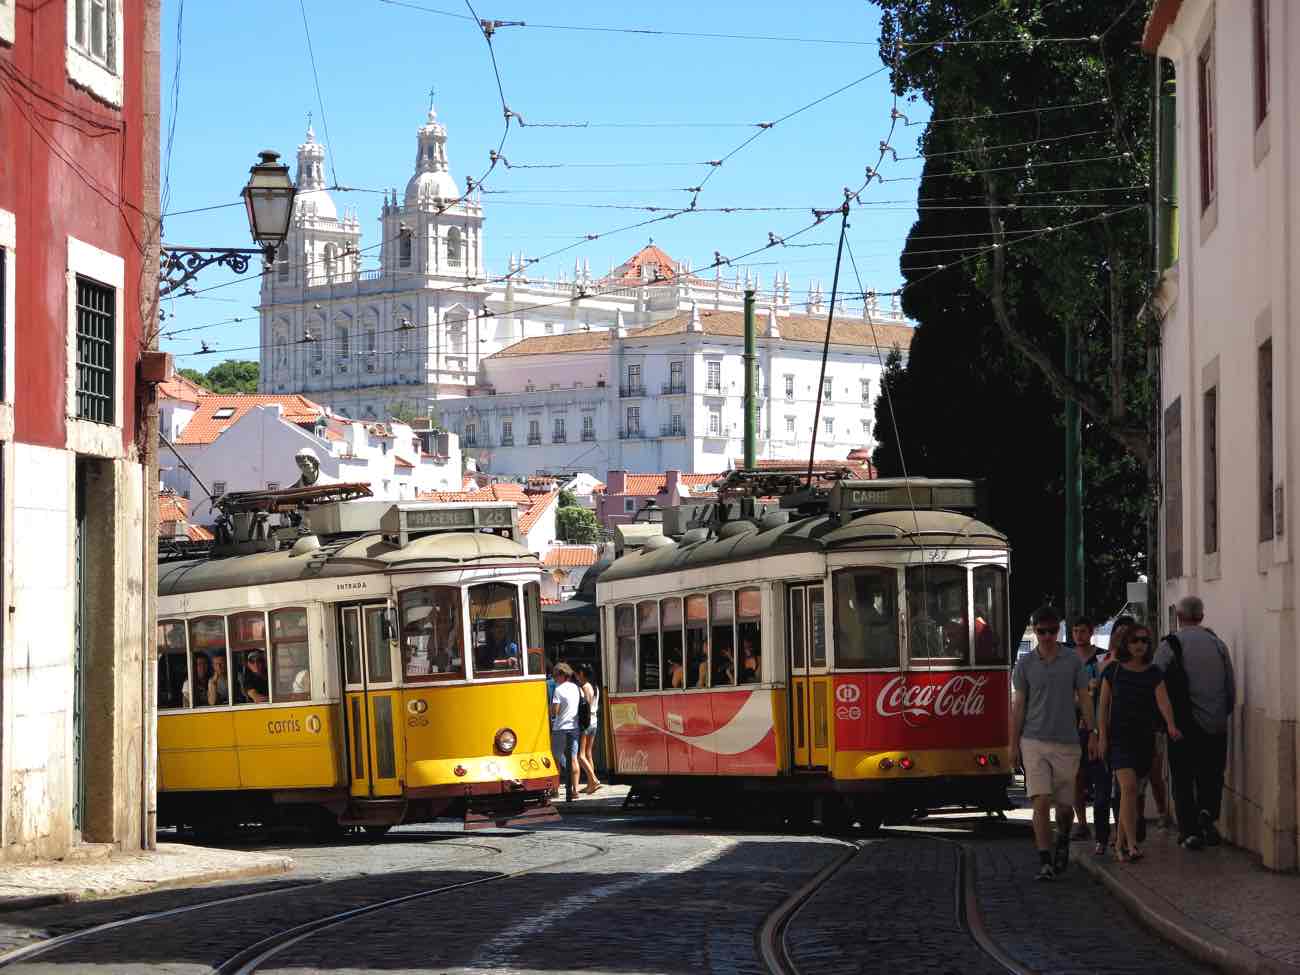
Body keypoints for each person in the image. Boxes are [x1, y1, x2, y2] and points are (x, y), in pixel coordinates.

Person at [1011, 605, 1097, 881]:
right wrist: (1013, 745)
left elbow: (1084, 697)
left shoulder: (1072, 661)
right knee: (1041, 800)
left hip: (1067, 742)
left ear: (1058, 631)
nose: (1046, 636)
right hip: (1033, 741)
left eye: (1051, 631)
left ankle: (1063, 838)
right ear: (1035, 632)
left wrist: (1093, 731)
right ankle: (1045, 859)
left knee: (1063, 807)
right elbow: (1019, 706)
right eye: (1041, 632)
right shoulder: (1025, 664)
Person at [1154, 595, 1236, 850]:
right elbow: (1230, 686)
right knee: (1212, 774)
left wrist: (1162, 720)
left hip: (1182, 726)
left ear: (1179, 617)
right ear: (1201, 616)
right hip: (1215, 723)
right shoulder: (1218, 644)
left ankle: (1189, 831)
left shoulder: (1169, 645)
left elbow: (1154, 680)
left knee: (1182, 777)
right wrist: (1224, 712)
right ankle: (1207, 813)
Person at [1098, 624, 1182, 862]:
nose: (1140, 645)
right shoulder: (1113, 671)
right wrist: (1102, 736)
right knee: (1129, 788)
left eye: (1144, 641)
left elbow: (1164, 702)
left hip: (1144, 740)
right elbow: (1102, 708)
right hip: (1119, 740)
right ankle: (1133, 845)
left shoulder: (1154, 672)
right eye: (1135, 640)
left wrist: (1171, 725)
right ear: (1126, 643)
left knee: (1130, 795)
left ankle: (1120, 844)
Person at [1070, 616, 1107, 844]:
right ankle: (1081, 822)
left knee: (1099, 774)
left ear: (1091, 632)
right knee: (1076, 776)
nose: (1078, 635)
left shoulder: (1102, 657)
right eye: (1074, 631)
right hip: (1072, 725)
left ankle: (1100, 823)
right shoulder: (1067, 659)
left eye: (1082, 631)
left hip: (1096, 723)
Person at [550, 663, 581, 803]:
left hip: (560, 728)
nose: (554, 678)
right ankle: (575, 790)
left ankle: (555, 790)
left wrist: (551, 710)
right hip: (574, 727)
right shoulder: (576, 687)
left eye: (556, 675)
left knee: (556, 759)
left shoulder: (558, 690)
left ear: (562, 674)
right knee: (573, 758)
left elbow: (555, 712)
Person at [575, 663, 603, 794]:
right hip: (594, 721)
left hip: (586, 722)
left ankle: (594, 780)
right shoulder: (595, 686)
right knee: (588, 753)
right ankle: (590, 784)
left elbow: (584, 706)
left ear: (581, 673)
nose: (576, 676)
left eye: (577, 674)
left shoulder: (585, 687)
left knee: (580, 756)